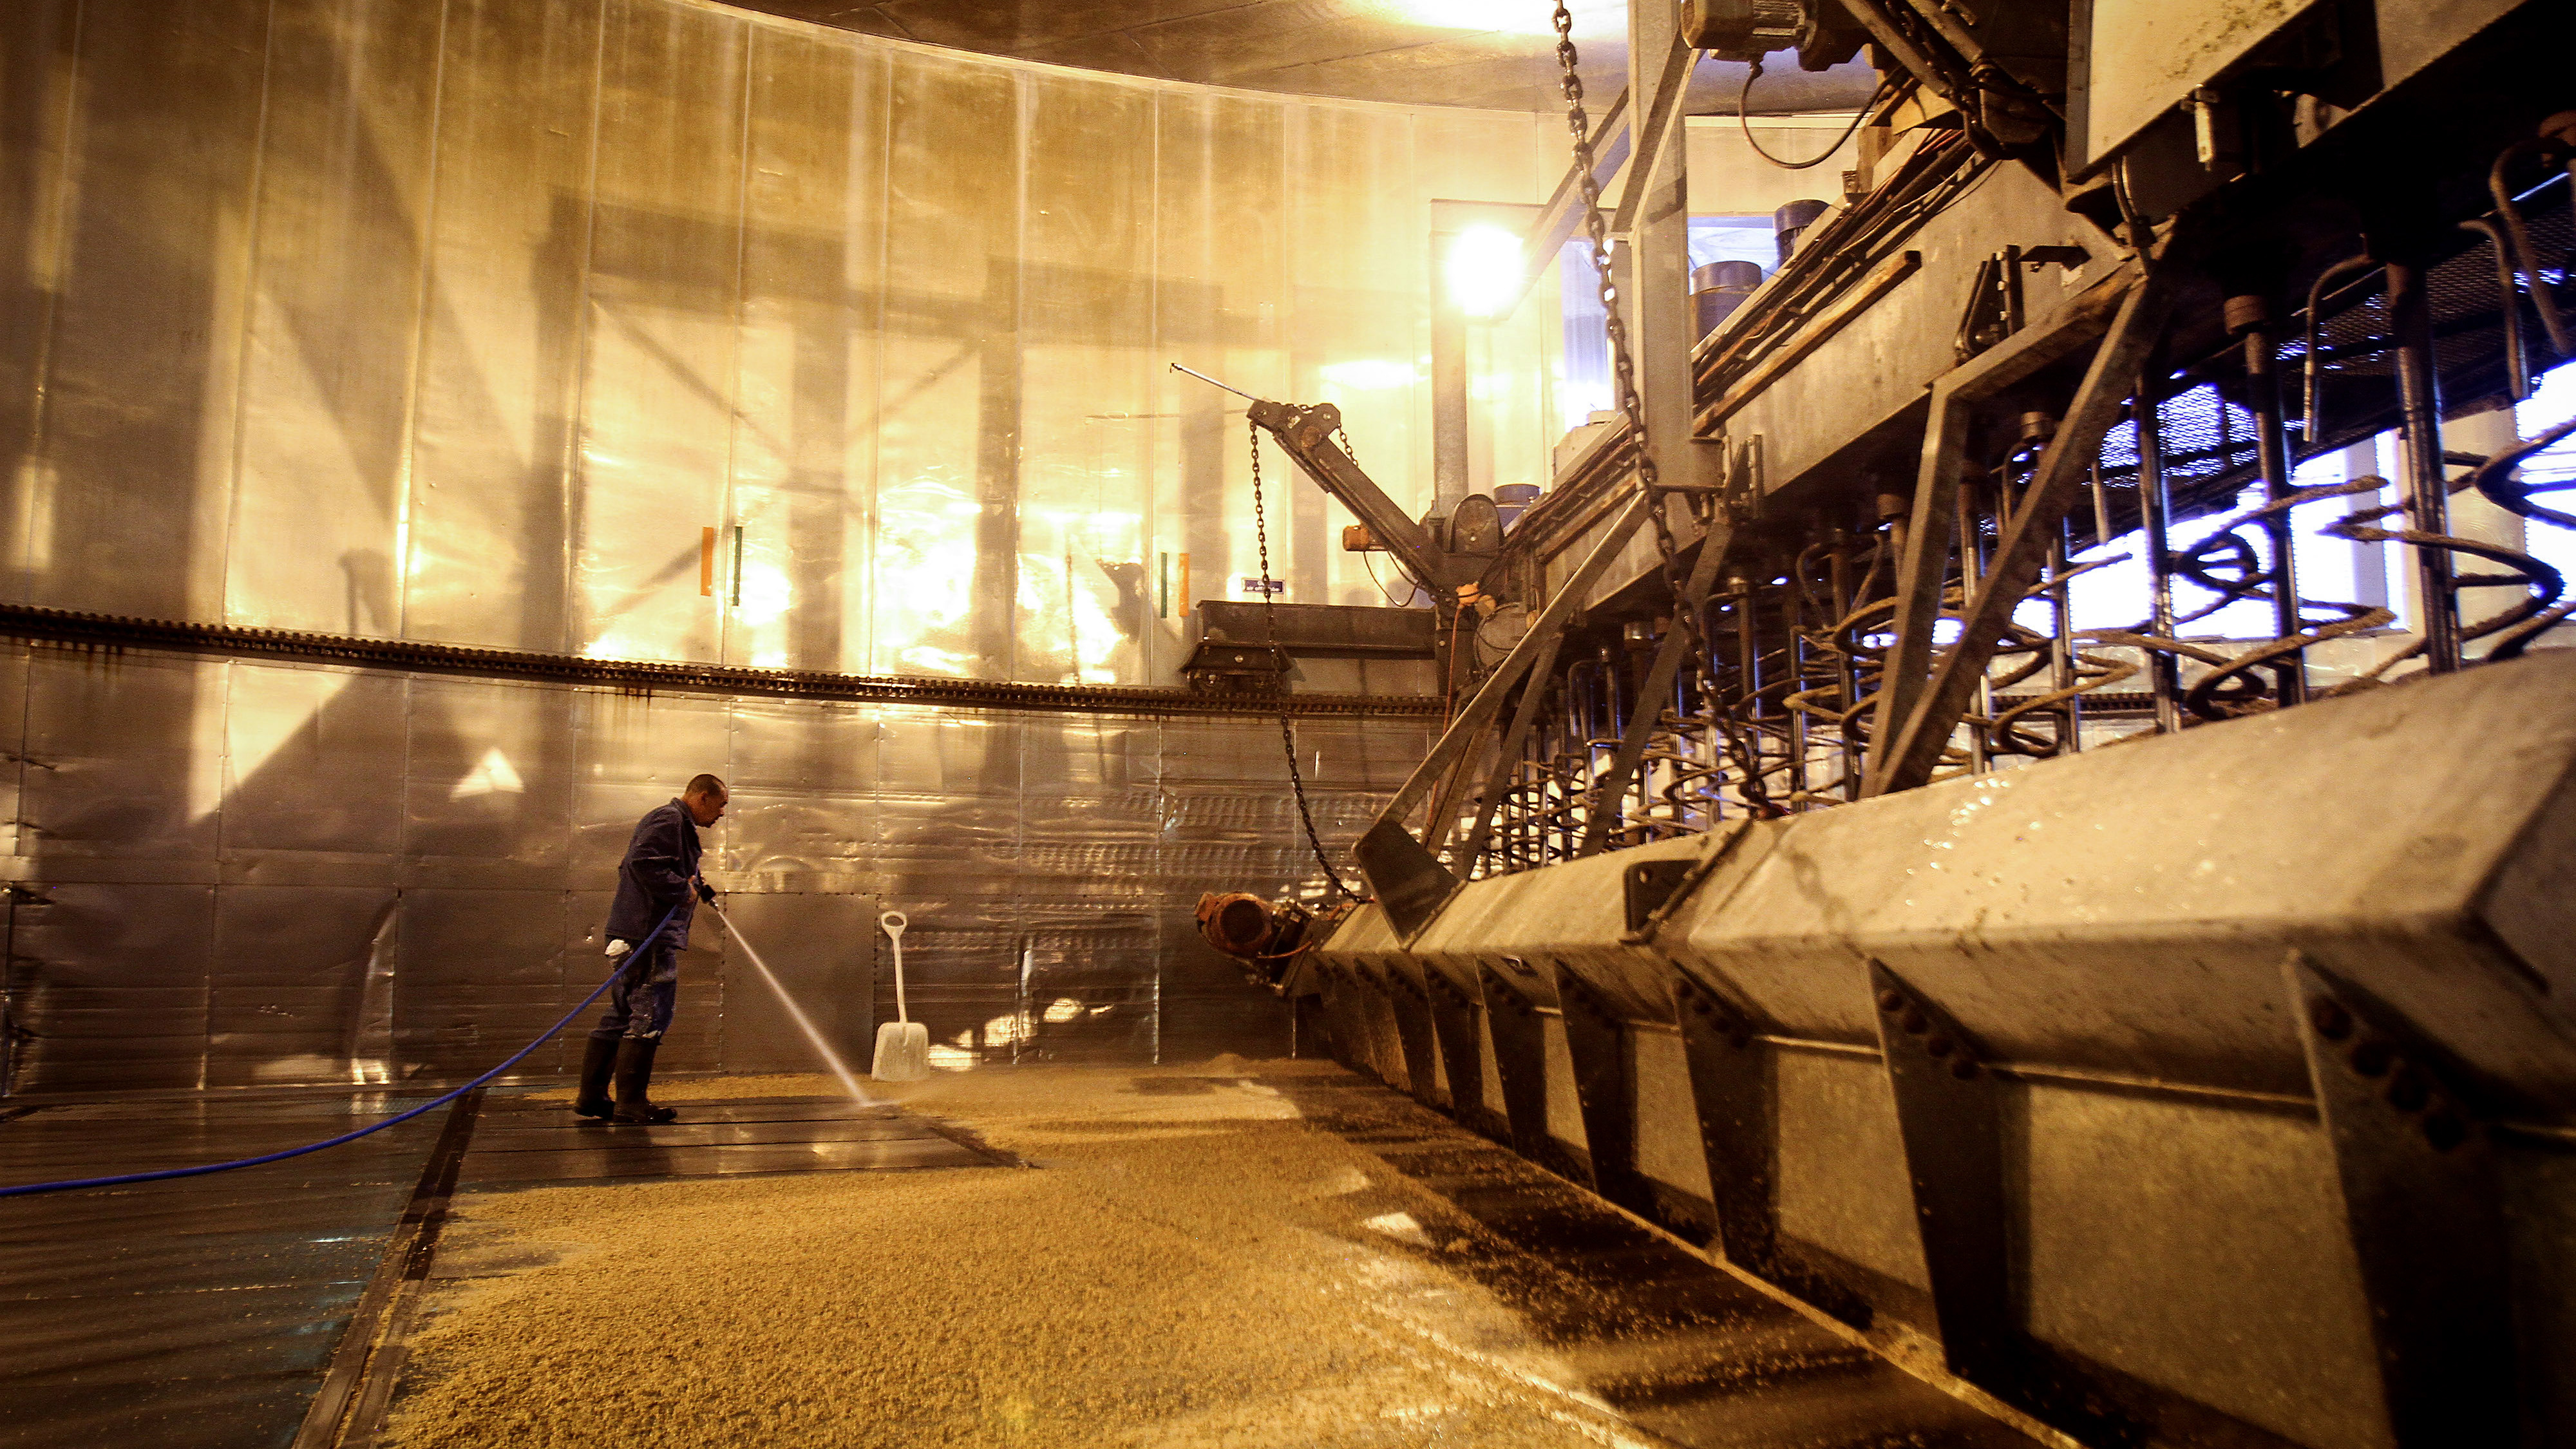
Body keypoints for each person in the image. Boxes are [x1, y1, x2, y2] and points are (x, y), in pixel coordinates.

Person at [574, 774, 726, 1124]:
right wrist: (680, 890)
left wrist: (697, 888)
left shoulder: (677, 825)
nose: (721, 815)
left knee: (623, 1014)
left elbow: (656, 866)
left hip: (634, 934)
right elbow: (642, 863)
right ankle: (631, 1103)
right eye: (721, 805)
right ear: (702, 797)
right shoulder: (669, 819)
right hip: (647, 937)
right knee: (650, 1014)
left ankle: (592, 1096)